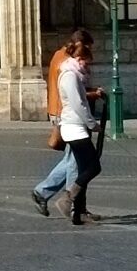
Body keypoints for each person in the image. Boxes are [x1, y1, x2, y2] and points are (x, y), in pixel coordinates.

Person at [32, 31, 97, 212]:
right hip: (67, 116)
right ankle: (72, 203)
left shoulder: (61, 57)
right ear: (80, 44)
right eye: (88, 47)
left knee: (72, 159)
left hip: (63, 113)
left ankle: (43, 192)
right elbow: (72, 95)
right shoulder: (67, 62)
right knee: (77, 162)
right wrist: (92, 95)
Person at [52, 37, 104, 226]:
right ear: (79, 58)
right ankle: (67, 199)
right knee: (93, 167)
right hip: (74, 128)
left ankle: (79, 212)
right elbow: (77, 104)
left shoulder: (74, 75)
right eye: (86, 62)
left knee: (84, 169)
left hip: (76, 127)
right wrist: (92, 124)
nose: (87, 67)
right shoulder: (69, 76)